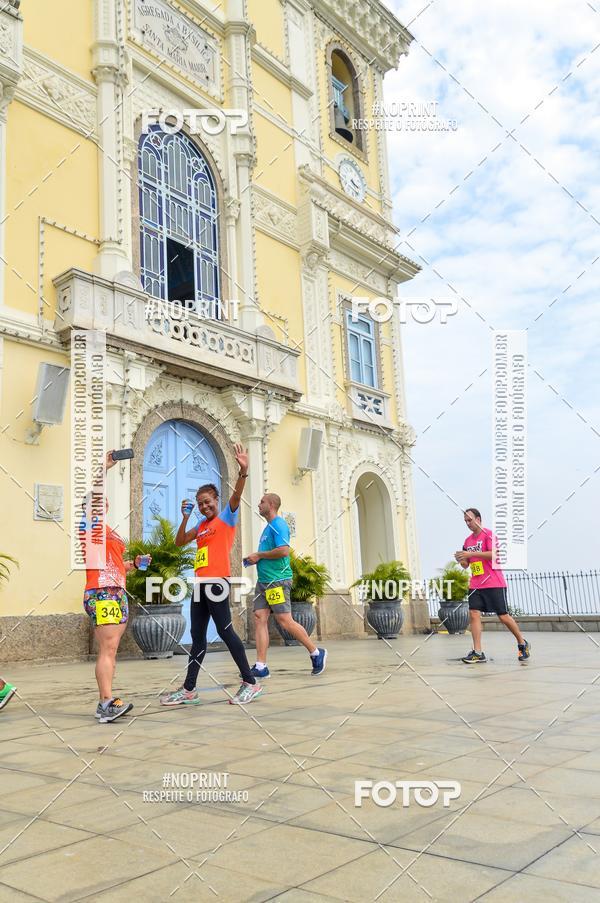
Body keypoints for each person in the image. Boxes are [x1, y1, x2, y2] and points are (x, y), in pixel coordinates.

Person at [161, 444, 263, 707]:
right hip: (200, 585)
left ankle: (250, 682)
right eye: (200, 504)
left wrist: (243, 471)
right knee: (197, 636)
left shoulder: (226, 518)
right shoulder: (201, 525)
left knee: (226, 630)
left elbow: (237, 497)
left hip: (217, 583)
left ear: (216, 501)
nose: (204, 506)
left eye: (208, 502)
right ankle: (189, 690)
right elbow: (179, 542)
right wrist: (185, 517)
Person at [80, 452, 150, 723]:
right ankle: (105, 703)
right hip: (102, 591)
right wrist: (103, 471)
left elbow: (115, 564)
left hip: (115, 590)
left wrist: (133, 563)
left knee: (111, 648)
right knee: (108, 648)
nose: (103, 503)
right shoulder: (89, 526)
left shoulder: (108, 531)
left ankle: (107, 700)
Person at [244, 493, 327, 678]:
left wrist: (259, 555)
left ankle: (316, 652)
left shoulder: (279, 524)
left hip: (277, 582)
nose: (259, 505)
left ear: (272, 504)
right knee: (259, 618)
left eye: (262, 502)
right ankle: (260, 666)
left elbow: (283, 551)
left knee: (284, 621)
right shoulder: (268, 527)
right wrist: (256, 558)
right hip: (264, 582)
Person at [455, 507, 530, 664]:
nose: (468, 523)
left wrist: (471, 554)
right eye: (465, 521)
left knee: (503, 616)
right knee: (474, 614)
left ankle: (522, 643)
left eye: (470, 520)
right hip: (476, 584)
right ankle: (477, 652)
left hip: (494, 582)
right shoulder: (467, 541)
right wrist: (461, 559)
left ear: (479, 519)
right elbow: (465, 565)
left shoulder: (488, 535)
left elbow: (495, 554)